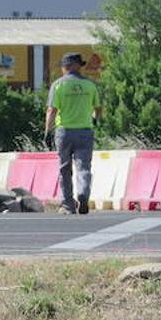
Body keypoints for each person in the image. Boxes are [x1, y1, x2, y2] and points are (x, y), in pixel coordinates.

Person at [44, 53, 102, 214]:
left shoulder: (58, 85)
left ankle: (69, 205)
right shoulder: (90, 85)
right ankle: (83, 193)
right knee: (83, 166)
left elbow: (51, 110)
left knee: (64, 168)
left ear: (67, 66)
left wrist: (47, 131)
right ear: (77, 66)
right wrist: (95, 120)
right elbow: (98, 108)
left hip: (64, 132)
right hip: (85, 131)